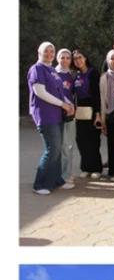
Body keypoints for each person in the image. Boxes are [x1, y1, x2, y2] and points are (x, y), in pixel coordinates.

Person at [29, 42, 75, 195]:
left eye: (51, 51)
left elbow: (60, 92)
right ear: (39, 52)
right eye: (46, 51)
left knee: (57, 149)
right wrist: (63, 104)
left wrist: (68, 104)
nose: (49, 54)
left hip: (57, 115)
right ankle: (40, 184)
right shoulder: (37, 69)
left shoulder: (51, 70)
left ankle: (56, 180)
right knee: (52, 149)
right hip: (45, 115)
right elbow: (40, 92)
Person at [70, 49, 103, 180]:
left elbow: (97, 95)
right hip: (80, 111)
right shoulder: (75, 74)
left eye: (80, 57)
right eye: (75, 58)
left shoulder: (93, 73)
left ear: (85, 58)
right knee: (81, 140)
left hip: (93, 109)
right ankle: (85, 168)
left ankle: (96, 169)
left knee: (93, 141)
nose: (78, 60)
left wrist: (98, 114)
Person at [53, 48, 78, 187]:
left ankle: (67, 174)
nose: (65, 60)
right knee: (57, 146)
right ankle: (58, 174)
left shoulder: (73, 75)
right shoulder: (52, 73)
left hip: (69, 114)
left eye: (67, 58)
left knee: (68, 145)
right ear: (57, 58)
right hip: (55, 114)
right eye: (62, 57)